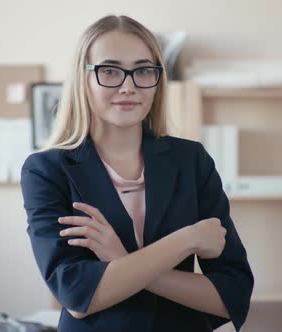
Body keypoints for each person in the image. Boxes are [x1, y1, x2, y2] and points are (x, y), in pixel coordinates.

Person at [20, 14, 253, 332]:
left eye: (143, 71)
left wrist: (120, 261)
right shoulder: (47, 171)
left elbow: (232, 295)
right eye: (110, 71)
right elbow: (77, 295)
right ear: (83, 79)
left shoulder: (191, 160)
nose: (129, 86)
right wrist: (187, 240)